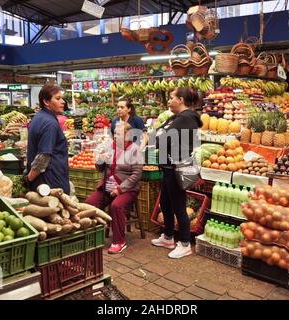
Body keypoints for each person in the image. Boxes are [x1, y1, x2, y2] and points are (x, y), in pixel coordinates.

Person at [151, 87, 202, 259]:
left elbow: (160, 137)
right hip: (167, 167)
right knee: (165, 203)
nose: (169, 101)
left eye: (172, 97)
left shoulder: (187, 118)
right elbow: (158, 133)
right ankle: (168, 237)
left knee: (179, 206)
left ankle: (185, 244)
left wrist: (158, 136)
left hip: (176, 168)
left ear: (180, 99)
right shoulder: (176, 117)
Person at [86, 122, 143, 254]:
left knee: (116, 206)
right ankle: (91, 236)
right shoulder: (110, 147)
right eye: (115, 133)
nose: (115, 136)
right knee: (90, 204)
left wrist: (120, 189)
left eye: (118, 133)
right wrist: (100, 160)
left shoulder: (135, 150)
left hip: (127, 188)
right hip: (107, 187)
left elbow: (137, 175)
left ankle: (119, 241)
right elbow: (99, 168)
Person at [24, 84, 70, 194]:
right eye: (58, 98)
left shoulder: (38, 117)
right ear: (46, 102)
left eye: (62, 98)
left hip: (42, 182)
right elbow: (43, 156)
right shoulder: (50, 124)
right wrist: (29, 178)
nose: (63, 102)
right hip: (50, 183)